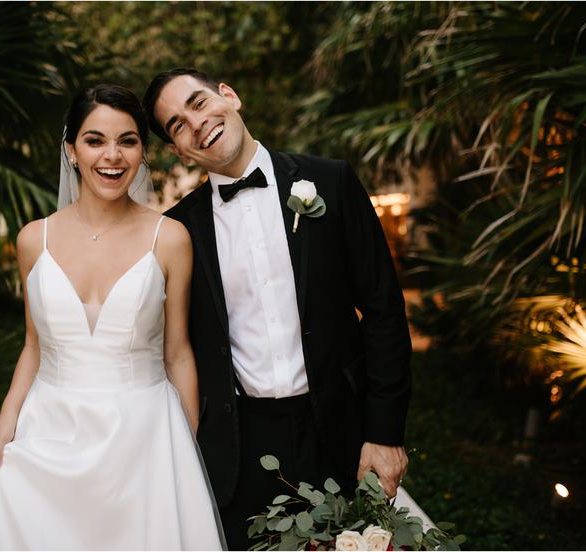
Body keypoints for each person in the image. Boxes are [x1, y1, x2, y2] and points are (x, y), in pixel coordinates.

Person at [142, 68, 412, 550]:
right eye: (177, 125)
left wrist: (386, 434)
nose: (197, 124)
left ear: (229, 96)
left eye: (199, 103)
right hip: (240, 448)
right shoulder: (178, 229)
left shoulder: (331, 181)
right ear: (177, 150)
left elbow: (383, 310)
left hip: (340, 430)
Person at [0, 84, 225, 550]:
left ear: (142, 152)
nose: (112, 156)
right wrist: (6, 417)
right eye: (95, 140)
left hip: (145, 437)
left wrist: (187, 449)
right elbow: (34, 346)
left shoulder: (170, 237)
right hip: (49, 432)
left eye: (128, 140)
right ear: (71, 150)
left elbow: (177, 352)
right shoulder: (33, 240)